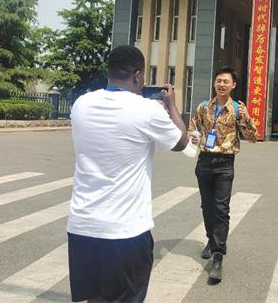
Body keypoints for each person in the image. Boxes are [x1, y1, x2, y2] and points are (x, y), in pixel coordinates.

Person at [66, 45, 188, 303]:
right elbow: (181, 142)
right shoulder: (148, 110)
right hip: (125, 232)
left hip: (82, 227)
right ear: (137, 75)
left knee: (94, 298)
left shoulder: (81, 104)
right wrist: (171, 105)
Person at [188, 66, 258, 283]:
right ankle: (211, 239)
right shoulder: (203, 107)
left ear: (233, 85)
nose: (221, 84)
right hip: (204, 162)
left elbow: (252, 137)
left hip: (225, 164)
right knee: (206, 206)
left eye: (226, 81)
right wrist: (193, 136)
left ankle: (218, 255)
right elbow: (192, 130)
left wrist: (247, 118)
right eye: (219, 80)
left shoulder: (237, 109)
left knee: (221, 209)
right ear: (214, 83)